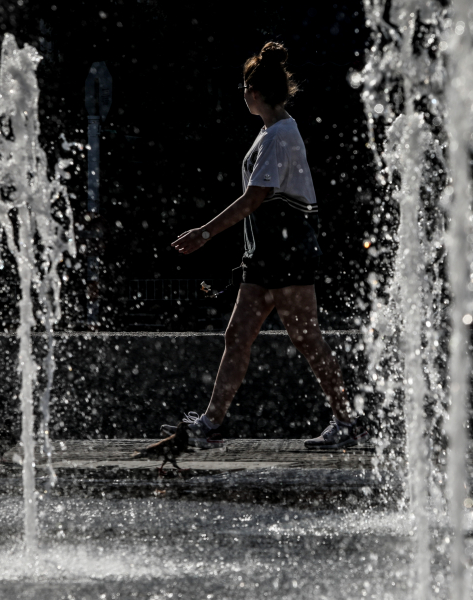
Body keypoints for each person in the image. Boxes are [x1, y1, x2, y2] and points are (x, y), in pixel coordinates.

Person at [167, 41, 368, 450]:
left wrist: (203, 234)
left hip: (287, 250)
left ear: (255, 92)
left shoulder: (280, 134)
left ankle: (347, 421)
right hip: (265, 253)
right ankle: (213, 422)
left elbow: (255, 198)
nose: (242, 94)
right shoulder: (269, 133)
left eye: (244, 87)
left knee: (306, 338)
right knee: (237, 335)